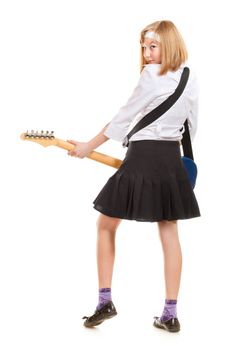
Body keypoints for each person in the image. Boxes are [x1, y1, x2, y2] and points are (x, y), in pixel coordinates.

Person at [67, 20, 201, 333]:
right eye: (144, 46)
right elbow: (191, 127)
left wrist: (88, 146)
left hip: (142, 155)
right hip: (171, 159)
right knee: (168, 229)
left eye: (153, 46)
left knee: (105, 224)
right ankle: (170, 313)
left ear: (168, 45)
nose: (147, 53)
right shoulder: (189, 77)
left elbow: (123, 117)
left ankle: (105, 301)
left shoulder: (150, 75)